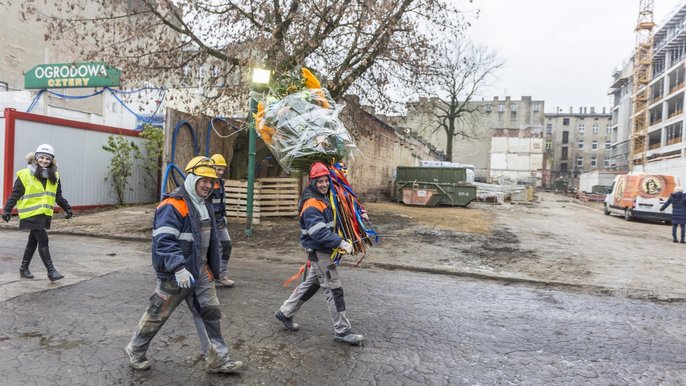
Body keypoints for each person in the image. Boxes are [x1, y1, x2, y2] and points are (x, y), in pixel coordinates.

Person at [124, 156, 243, 373]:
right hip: (175, 273)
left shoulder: (205, 204)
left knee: (210, 313)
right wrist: (178, 268)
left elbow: (209, 241)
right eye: (203, 180)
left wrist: (210, 267)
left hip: (200, 271)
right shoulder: (173, 204)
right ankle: (135, 349)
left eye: (211, 181)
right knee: (157, 313)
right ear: (191, 178)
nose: (208, 185)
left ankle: (219, 360)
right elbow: (164, 240)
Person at [274, 161, 364, 345]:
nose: (323, 184)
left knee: (312, 284)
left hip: (323, 252)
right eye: (319, 181)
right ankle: (342, 330)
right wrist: (341, 243)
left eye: (325, 181)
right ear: (312, 182)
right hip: (321, 252)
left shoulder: (325, 198)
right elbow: (319, 233)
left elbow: (339, 215)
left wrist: (359, 215)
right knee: (334, 289)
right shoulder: (312, 204)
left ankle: (285, 312)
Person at [2, 144, 72, 281]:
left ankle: (23, 268)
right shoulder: (25, 174)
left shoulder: (55, 176)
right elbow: (15, 194)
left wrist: (67, 208)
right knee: (43, 240)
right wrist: (7, 210)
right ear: (36, 158)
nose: (44, 161)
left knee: (32, 242)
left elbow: (58, 196)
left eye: (48, 158)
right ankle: (51, 272)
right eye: (42, 158)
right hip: (30, 214)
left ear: (51, 160)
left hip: (44, 214)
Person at [210, 154, 234, 287]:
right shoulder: (206, 182)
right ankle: (205, 276)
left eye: (221, 170)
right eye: (217, 169)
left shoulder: (221, 183)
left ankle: (220, 275)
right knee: (206, 249)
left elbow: (221, 203)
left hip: (219, 221)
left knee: (226, 245)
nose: (219, 172)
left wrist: (224, 216)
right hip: (208, 222)